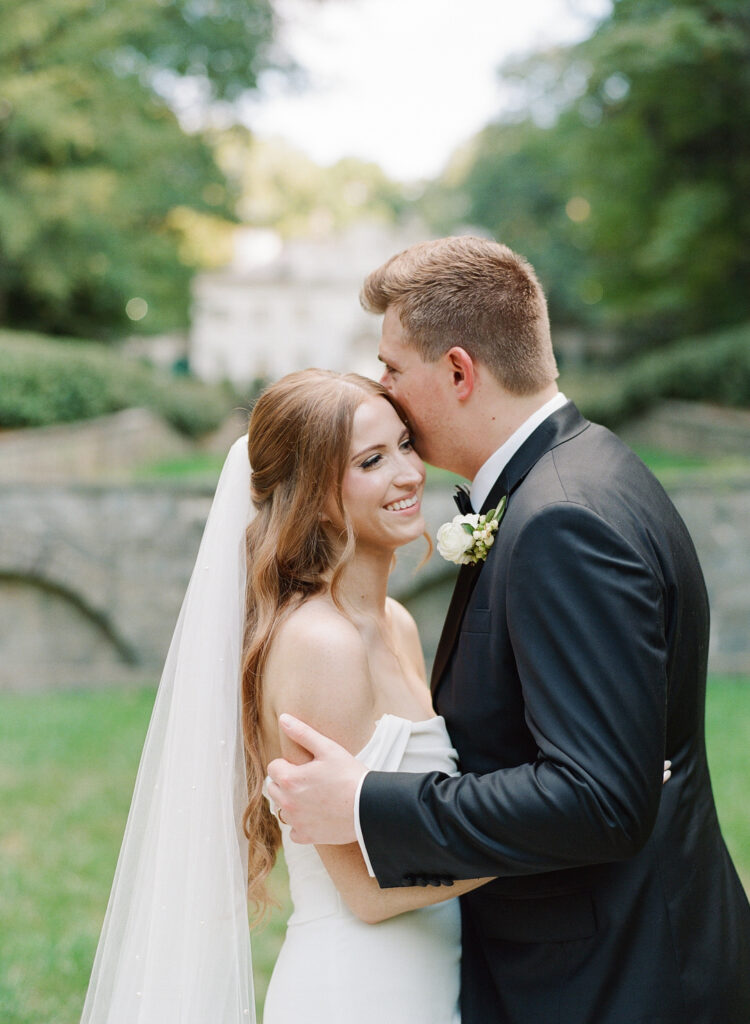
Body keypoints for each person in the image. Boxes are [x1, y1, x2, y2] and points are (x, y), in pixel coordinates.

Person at [267, 236, 750, 1024]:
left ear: (458, 371)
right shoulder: (589, 471)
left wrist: (365, 802)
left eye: (392, 367)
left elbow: (599, 800)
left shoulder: (561, 518)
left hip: (614, 982)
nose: (384, 388)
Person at [81, 368, 493, 1024]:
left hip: (433, 976)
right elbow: (365, 890)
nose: (410, 473)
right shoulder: (320, 646)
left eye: (406, 445)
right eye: (372, 460)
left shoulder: (396, 624)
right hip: (361, 991)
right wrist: (548, 839)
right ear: (316, 495)